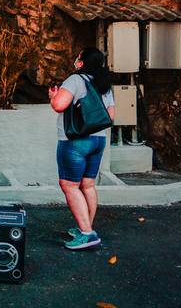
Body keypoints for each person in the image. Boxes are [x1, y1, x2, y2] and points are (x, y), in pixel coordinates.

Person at [49, 47, 115, 250]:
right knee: (87, 185)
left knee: (69, 185)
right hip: (98, 140)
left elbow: (60, 105)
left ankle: (87, 234)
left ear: (82, 61)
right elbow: (110, 117)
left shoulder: (75, 80)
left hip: (76, 141)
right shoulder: (104, 84)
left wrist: (53, 96)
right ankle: (85, 227)